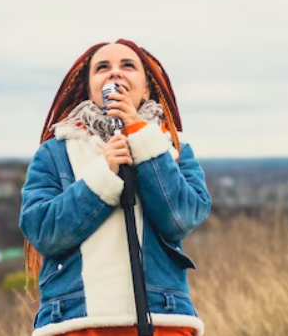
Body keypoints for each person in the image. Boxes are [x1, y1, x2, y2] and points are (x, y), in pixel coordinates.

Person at [19, 39, 212, 336]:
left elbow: (181, 217)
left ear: (146, 88)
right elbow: (41, 230)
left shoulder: (173, 147)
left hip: (162, 321)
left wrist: (139, 136)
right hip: (78, 323)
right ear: (90, 88)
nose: (115, 74)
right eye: (102, 68)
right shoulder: (54, 153)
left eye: (128, 66)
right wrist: (103, 175)